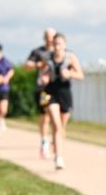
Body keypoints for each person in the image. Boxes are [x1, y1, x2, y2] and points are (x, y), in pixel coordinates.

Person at [38, 33, 83, 170]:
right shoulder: (48, 58)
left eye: (60, 44)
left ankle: (55, 144)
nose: (57, 46)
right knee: (56, 125)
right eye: (55, 44)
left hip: (65, 93)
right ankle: (59, 158)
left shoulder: (70, 57)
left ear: (64, 44)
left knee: (62, 127)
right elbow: (43, 73)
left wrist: (69, 74)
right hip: (50, 93)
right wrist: (44, 79)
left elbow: (81, 75)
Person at [26, 28, 56, 159]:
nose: (50, 39)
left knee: (57, 117)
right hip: (43, 88)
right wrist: (40, 65)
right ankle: (44, 141)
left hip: (57, 88)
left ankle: (55, 141)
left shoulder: (58, 51)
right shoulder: (38, 52)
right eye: (48, 37)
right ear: (44, 37)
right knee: (46, 115)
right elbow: (27, 65)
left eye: (52, 37)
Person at [0, 43, 14, 136]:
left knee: (3, 110)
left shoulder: (5, 61)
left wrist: (6, 78)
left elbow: (11, 70)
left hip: (4, 88)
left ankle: (1, 120)